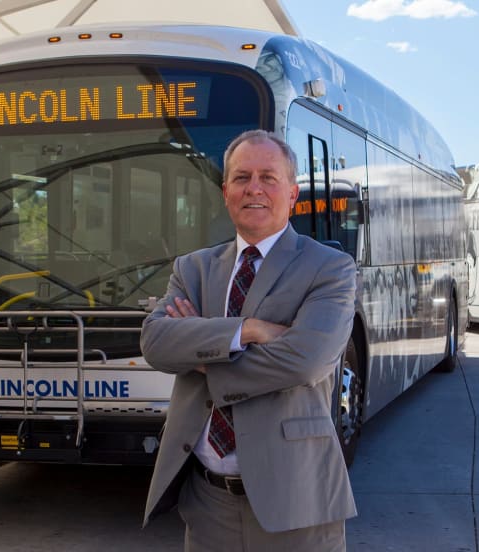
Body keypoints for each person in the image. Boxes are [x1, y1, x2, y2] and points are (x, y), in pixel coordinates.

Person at [140, 129, 358, 551]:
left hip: (296, 500)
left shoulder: (330, 268)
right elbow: (155, 342)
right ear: (226, 192)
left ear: (292, 194)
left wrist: (200, 349)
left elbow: (306, 361)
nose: (253, 188)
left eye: (268, 178)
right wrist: (250, 331)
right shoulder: (193, 269)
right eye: (241, 178)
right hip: (207, 502)